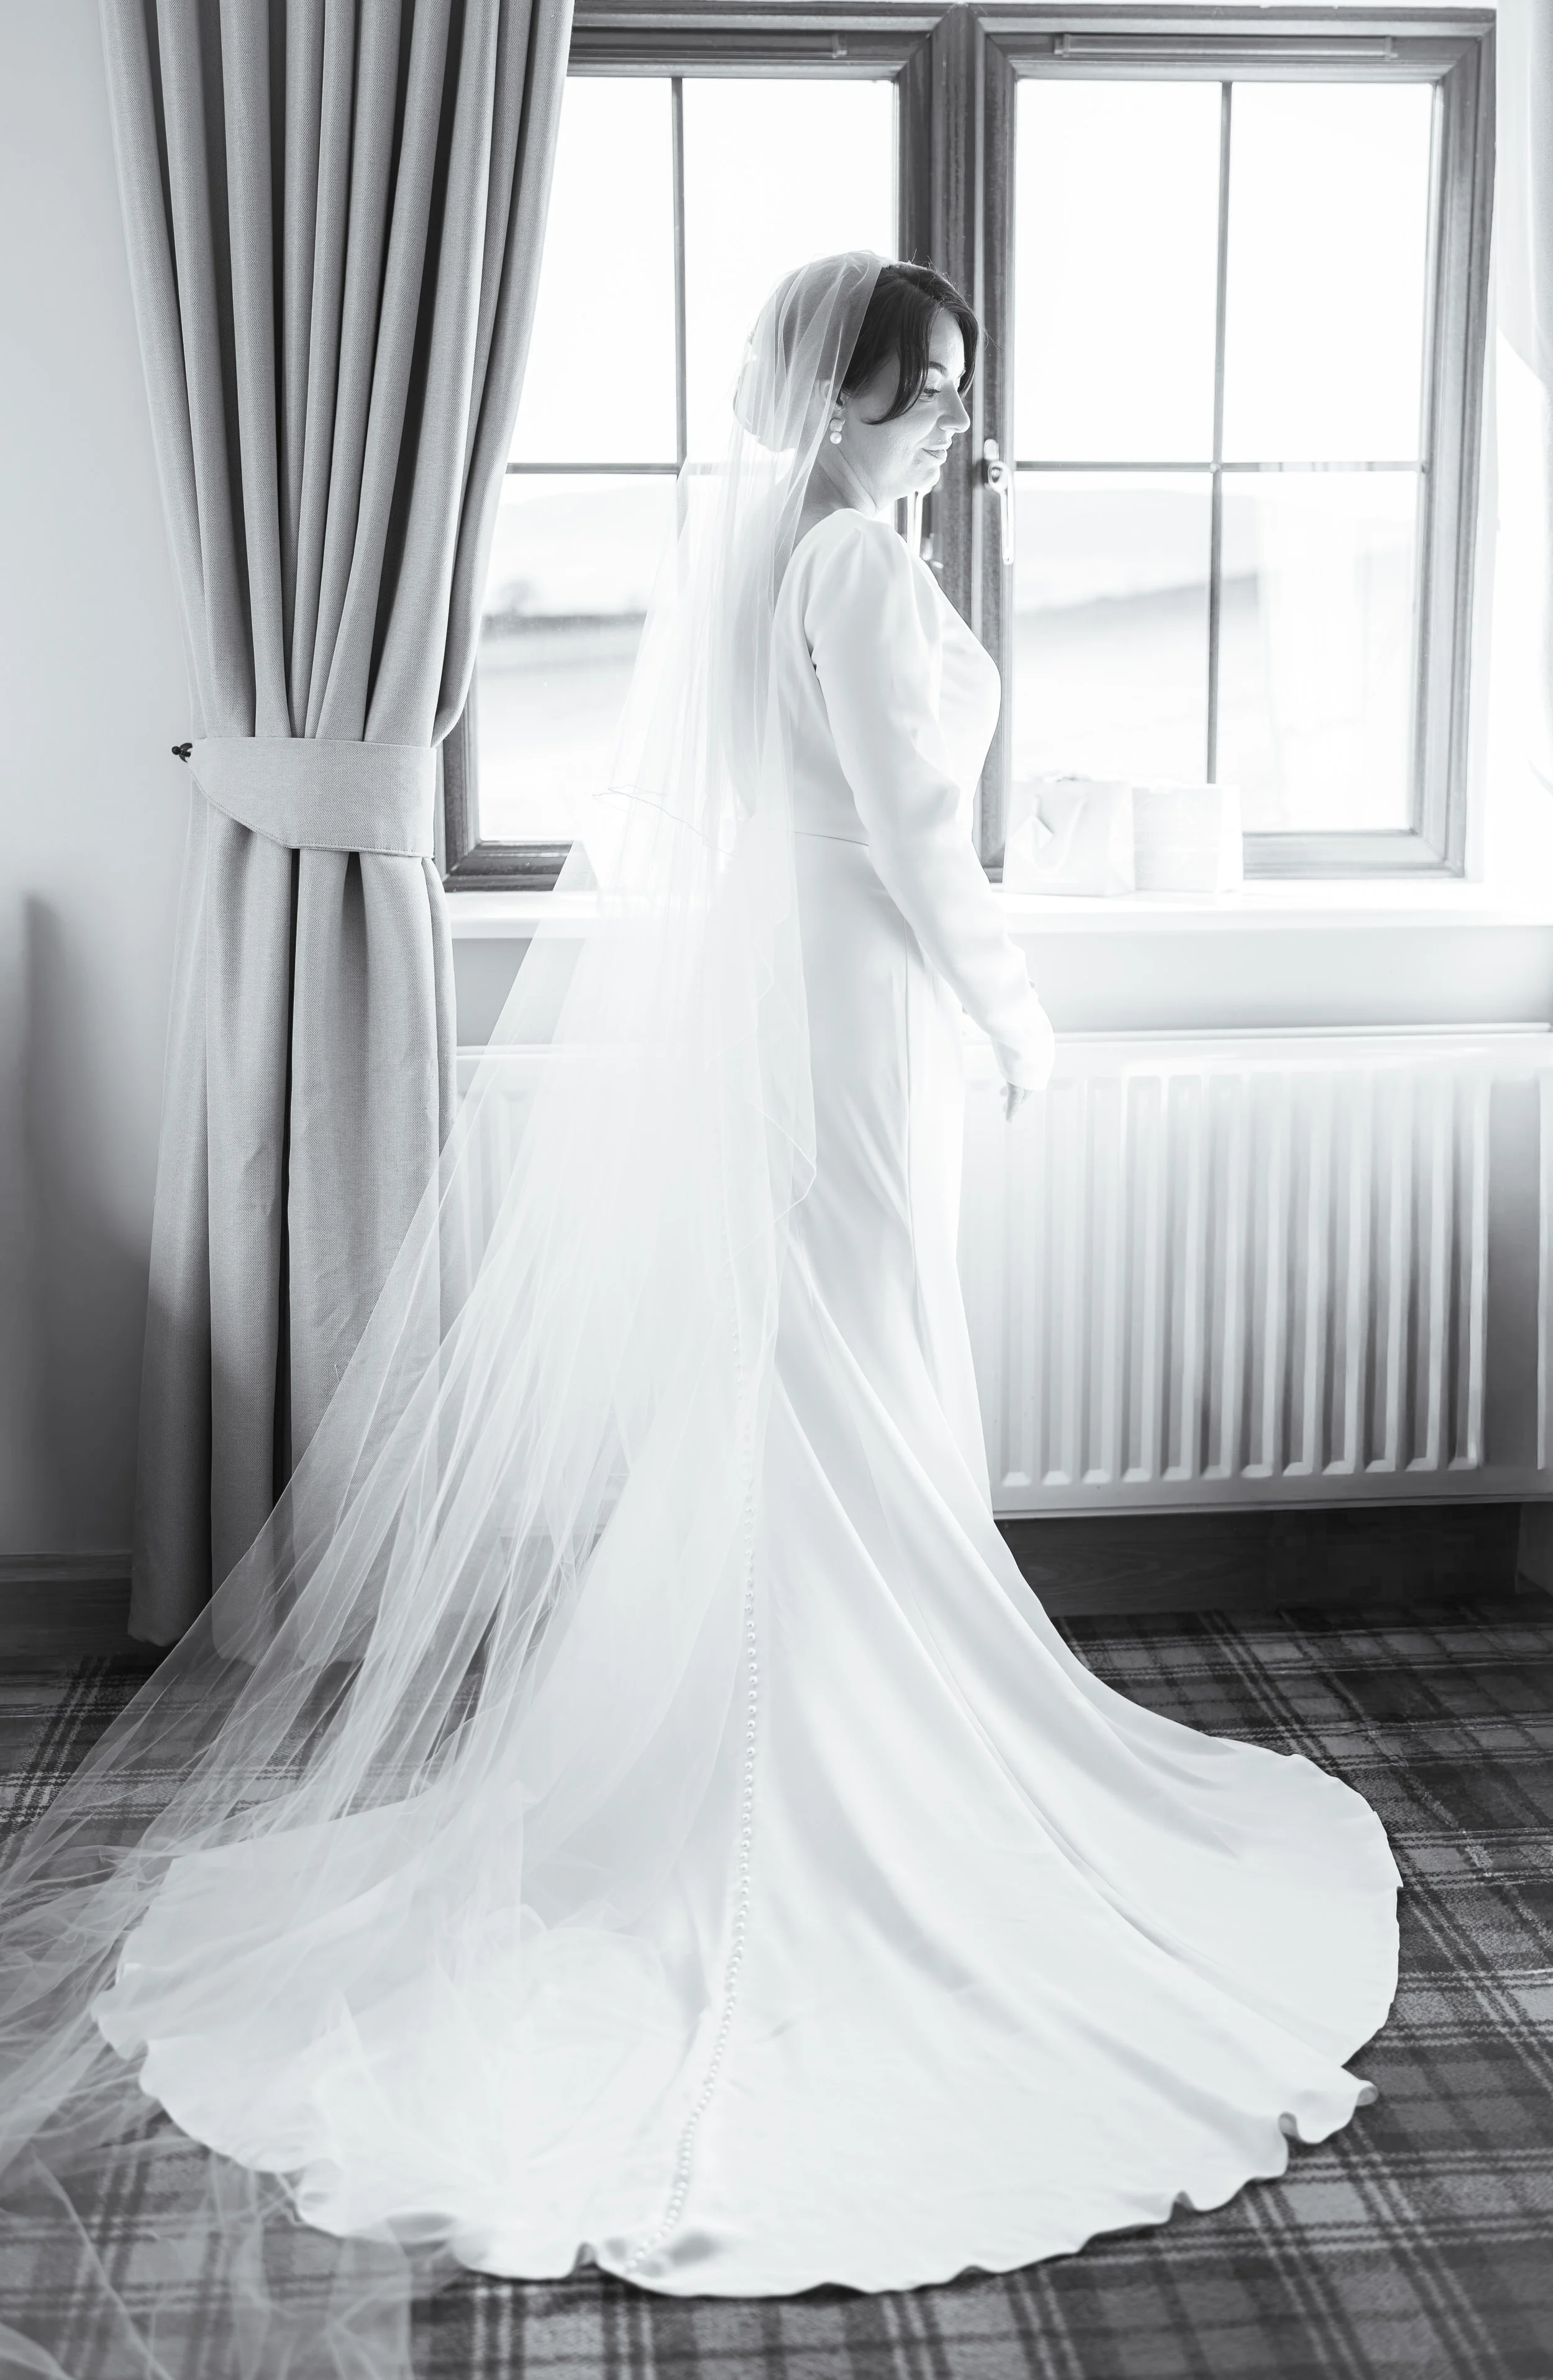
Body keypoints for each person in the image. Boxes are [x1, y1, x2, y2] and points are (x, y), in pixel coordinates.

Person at [0, 252, 1398, 2375]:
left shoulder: (780, 546)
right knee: (842, 1359)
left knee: (815, 1369)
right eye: (927, 396)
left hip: (812, 994)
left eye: (955, 396)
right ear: (842, 401)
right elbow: (916, 836)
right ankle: (827, 1772)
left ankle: (779, 1714)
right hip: (859, 999)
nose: (955, 428)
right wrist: (1012, 1015)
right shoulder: (840, 565)